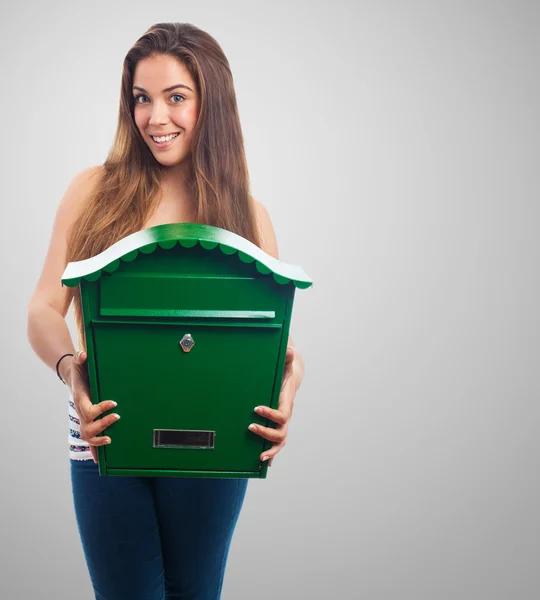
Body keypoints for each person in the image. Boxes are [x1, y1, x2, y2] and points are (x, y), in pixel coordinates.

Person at [26, 22, 305, 600]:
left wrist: (289, 388)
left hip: (217, 437)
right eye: (141, 98)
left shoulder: (248, 217)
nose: (156, 118)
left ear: (212, 104)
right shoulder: (93, 191)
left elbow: (274, 348)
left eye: (176, 97)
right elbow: (43, 310)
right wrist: (70, 372)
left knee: (196, 593)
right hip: (106, 433)